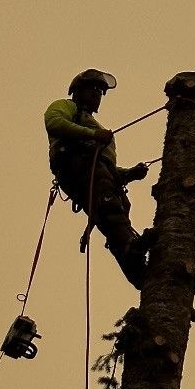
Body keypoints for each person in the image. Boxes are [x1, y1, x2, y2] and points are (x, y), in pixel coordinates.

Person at [44, 69, 152, 288]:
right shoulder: (66, 107)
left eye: (100, 92)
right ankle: (131, 248)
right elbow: (54, 122)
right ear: (77, 91)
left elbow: (105, 167)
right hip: (75, 166)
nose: (96, 95)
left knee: (117, 210)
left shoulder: (95, 127)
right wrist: (93, 135)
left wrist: (129, 173)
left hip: (95, 173)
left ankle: (139, 273)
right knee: (109, 206)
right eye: (92, 89)